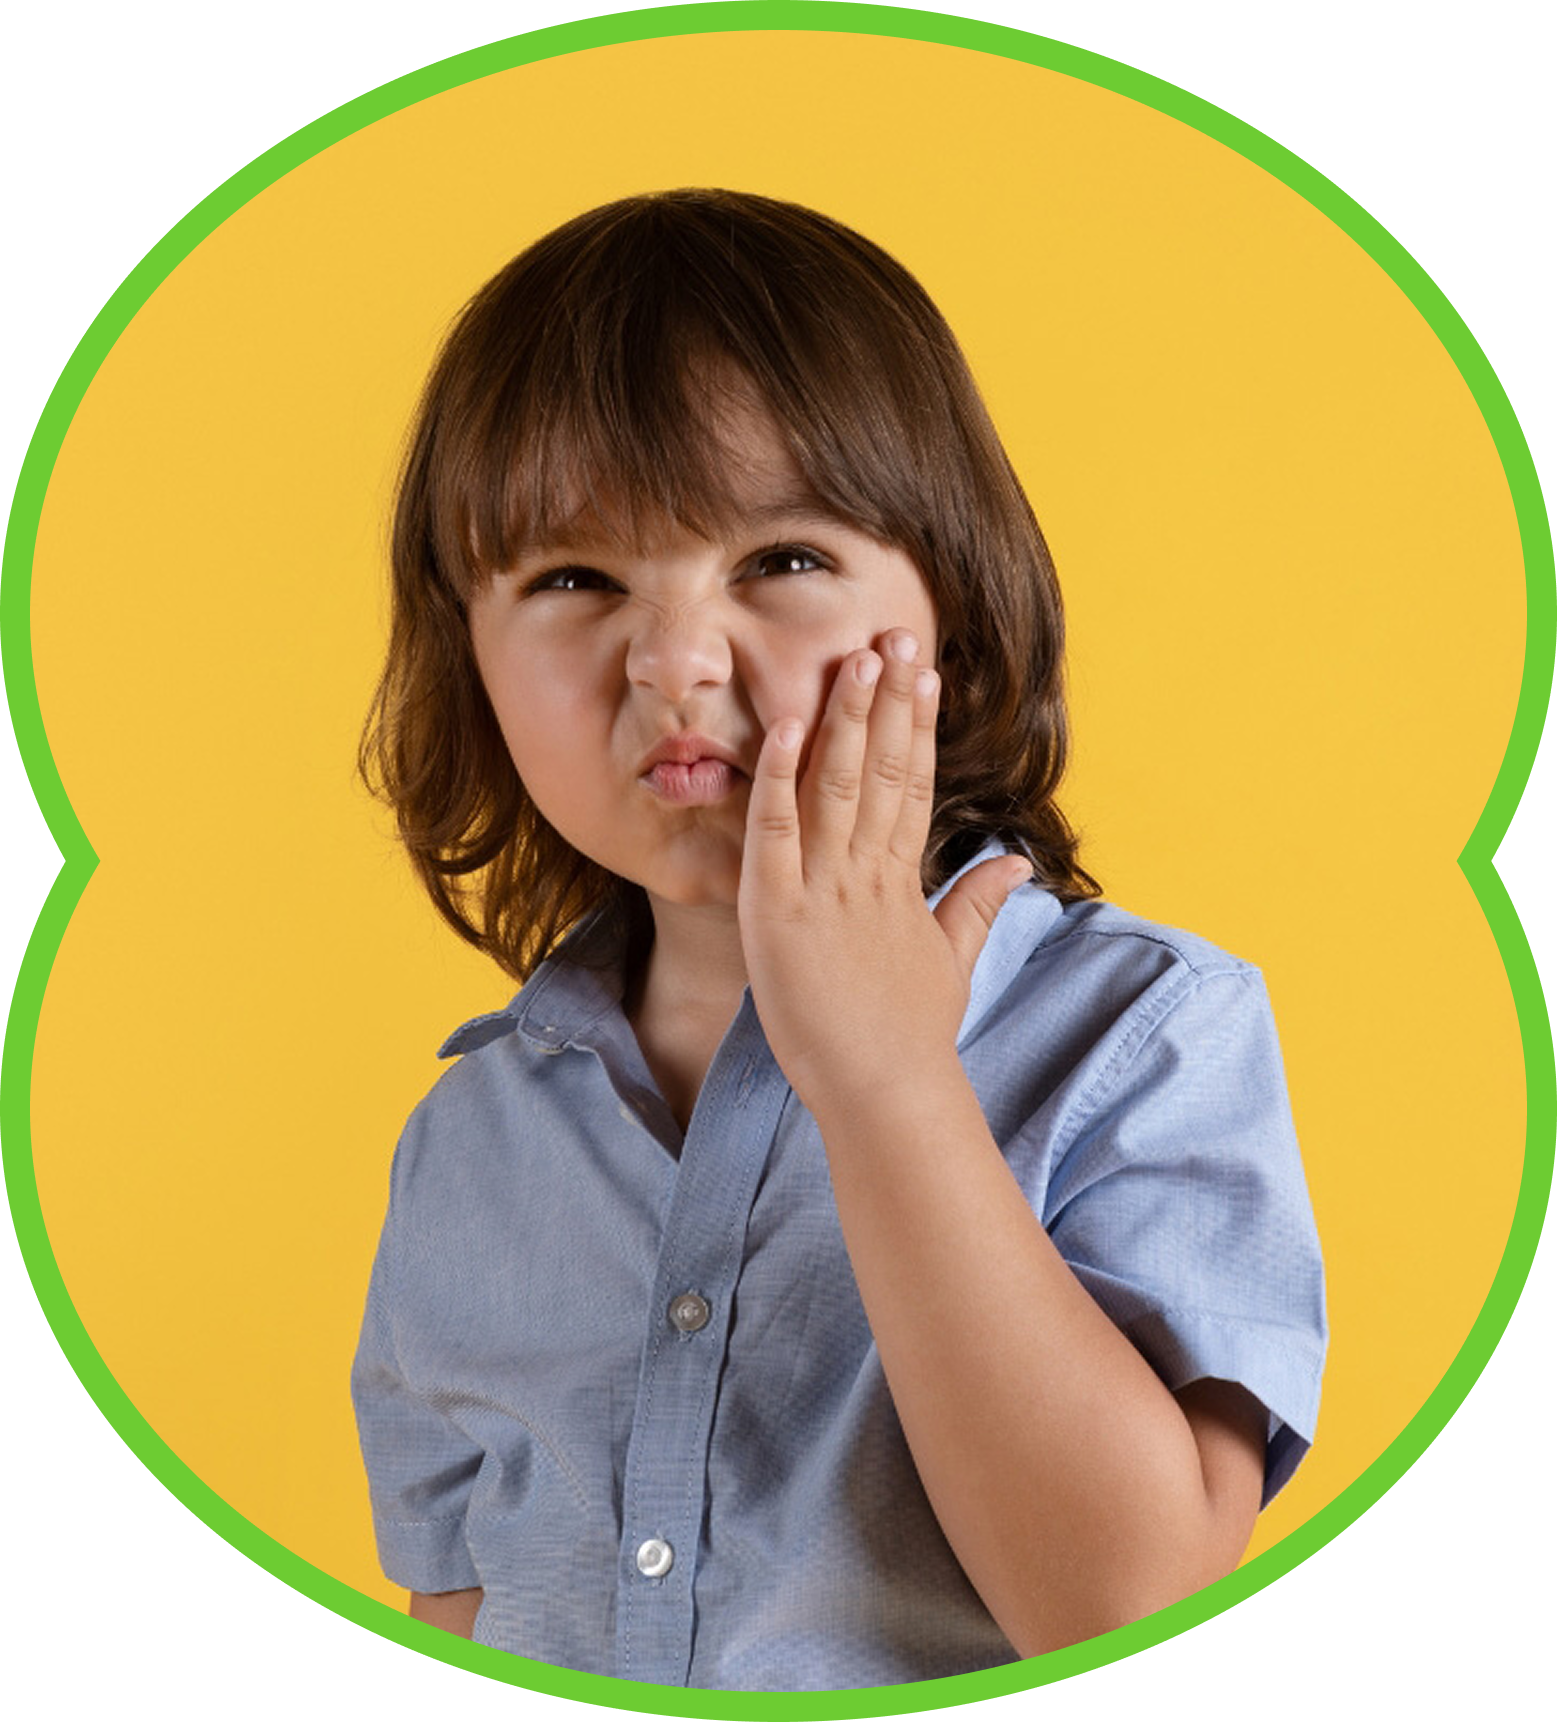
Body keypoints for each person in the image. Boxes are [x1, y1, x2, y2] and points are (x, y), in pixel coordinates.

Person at [351, 188, 1326, 1692]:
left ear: (955, 605)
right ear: (465, 655)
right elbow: (465, 1609)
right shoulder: (468, 1140)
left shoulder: (1142, 1028)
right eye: (573, 579)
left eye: (783, 560)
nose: (675, 661)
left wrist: (885, 1080)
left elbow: (1132, 1604)